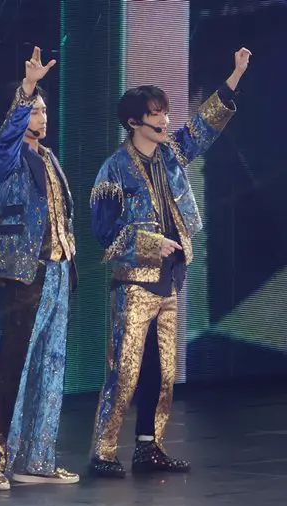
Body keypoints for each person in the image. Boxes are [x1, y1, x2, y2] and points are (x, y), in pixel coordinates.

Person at [89, 47, 251, 477]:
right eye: (155, 114)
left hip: (170, 278)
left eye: (165, 112)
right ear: (134, 123)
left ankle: (149, 447)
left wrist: (234, 75)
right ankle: (104, 451)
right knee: (125, 369)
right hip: (134, 282)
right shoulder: (114, 170)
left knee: (163, 370)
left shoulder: (172, 153)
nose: (164, 120)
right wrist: (148, 243)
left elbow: (204, 127)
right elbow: (103, 232)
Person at [0, 47, 79, 491]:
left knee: (52, 363)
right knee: (13, 362)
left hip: (58, 268)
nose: (42, 116)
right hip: (26, 269)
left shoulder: (49, 158)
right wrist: (27, 88)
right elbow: (7, 139)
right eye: (35, 109)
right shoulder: (3, 155)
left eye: (44, 109)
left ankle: (37, 458)